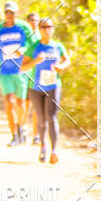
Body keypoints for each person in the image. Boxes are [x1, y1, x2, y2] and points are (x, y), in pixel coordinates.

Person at [21, 17, 70, 164]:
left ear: (53, 28)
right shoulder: (34, 47)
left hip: (54, 85)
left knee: (52, 117)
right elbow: (23, 67)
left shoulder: (58, 46)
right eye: (43, 27)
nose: (46, 30)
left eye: (49, 26)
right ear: (39, 30)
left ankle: (54, 151)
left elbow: (67, 59)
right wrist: (35, 61)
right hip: (36, 87)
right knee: (41, 120)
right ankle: (43, 146)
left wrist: (62, 66)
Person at [0, 1, 33, 146]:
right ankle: (14, 134)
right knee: (10, 102)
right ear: (4, 13)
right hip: (4, 70)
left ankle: (21, 127)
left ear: (17, 13)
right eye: (7, 12)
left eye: (12, 12)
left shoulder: (24, 27)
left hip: (21, 70)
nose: (9, 15)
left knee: (21, 104)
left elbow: (32, 43)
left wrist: (24, 49)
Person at [25, 12, 41, 144]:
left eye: (36, 20)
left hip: (37, 75)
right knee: (25, 104)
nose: (34, 22)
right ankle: (23, 129)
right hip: (23, 74)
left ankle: (36, 135)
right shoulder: (24, 37)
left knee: (36, 106)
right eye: (31, 20)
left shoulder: (42, 37)